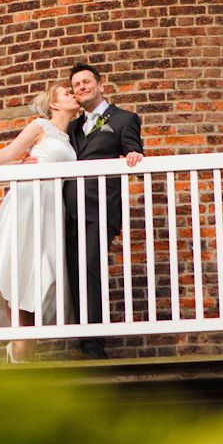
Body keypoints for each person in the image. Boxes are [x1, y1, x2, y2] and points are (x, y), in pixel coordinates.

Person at [0, 83, 81, 362]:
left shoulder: (72, 136)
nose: (73, 94)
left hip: (51, 206)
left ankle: (23, 347)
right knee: (19, 265)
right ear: (54, 104)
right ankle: (20, 344)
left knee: (40, 272)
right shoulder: (41, 125)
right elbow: (9, 153)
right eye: (67, 93)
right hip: (28, 201)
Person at [64, 62, 144, 358]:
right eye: (76, 85)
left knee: (90, 268)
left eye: (86, 82)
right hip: (68, 210)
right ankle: (82, 338)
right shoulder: (72, 126)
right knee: (74, 272)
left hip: (99, 208)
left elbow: (133, 148)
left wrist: (135, 153)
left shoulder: (124, 119)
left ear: (100, 85)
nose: (81, 88)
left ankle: (94, 344)